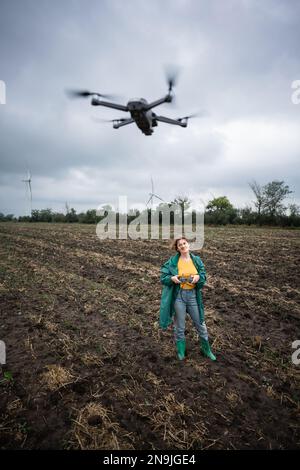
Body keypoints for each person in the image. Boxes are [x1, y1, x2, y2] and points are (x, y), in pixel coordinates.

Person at [159, 237, 216, 361]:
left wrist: (198, 277)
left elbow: (203, 275)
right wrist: (172, 278)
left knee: (200, 323)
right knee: (180, 326)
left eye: (184, 243)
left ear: (188, 245)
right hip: (179, 296)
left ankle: (206, 349)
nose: (183, 246)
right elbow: (163, 277)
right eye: (180, 245)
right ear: (177, 248)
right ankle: (181, 352)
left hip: (193, 296)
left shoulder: (196, 260)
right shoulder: (173, 262)